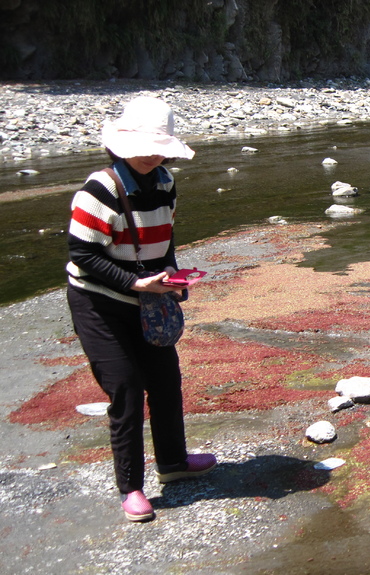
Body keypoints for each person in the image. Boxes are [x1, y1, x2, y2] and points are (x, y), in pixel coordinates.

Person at [66, 96, 217, 523]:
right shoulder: (100, 189)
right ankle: (131, 487)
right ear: (123, 144)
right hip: (99, 303)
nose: (152, 155)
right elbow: (81, 255)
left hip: (147, 297)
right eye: (144, 147)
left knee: (166, 380)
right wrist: (134, 282)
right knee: (127, 389)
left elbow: (164, 237)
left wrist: (170, 275)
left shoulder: (166, 182)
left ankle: (172, 464)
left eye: (159, 147)